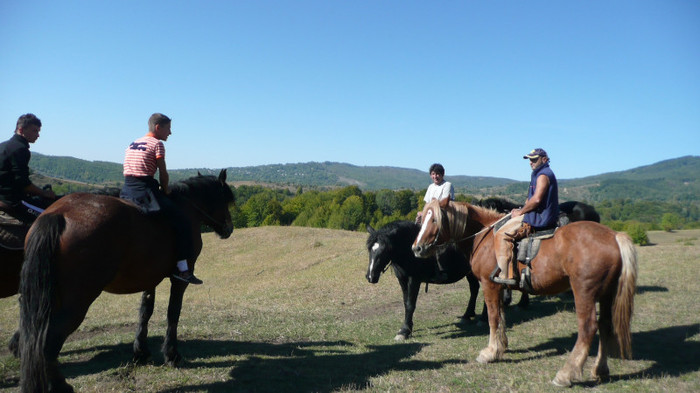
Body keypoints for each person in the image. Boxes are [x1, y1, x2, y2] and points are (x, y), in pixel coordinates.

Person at [120, 113, 202, 284]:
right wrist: (165, 191)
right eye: (168, 128)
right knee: (182, 222)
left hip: (127, 190)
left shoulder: (132, 143)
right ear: (158, 127)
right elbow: (163, 174)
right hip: (145, 191)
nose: (170, 133)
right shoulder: (157, 144)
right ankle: (182, 270)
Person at [492, 148, 559, 285]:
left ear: (544, 159)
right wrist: (520, 209)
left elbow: (537, 200)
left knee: (502, 234)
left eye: (534, 159)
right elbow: (530, 199)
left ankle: (507, 275)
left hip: (538, 218)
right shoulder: (537, 174)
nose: (531, 162)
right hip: (532, 214)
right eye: (530, 159)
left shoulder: (543, 175)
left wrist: (521, 212)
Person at [0, 113, 56, 223]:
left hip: (3, 196)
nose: (38, 135)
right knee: (51, 219)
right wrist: (44, 193)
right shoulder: (20, 149)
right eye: (35, 131)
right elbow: (23, 184)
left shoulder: (3, 145)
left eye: (38, 131)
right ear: (21, 130)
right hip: (13, 201)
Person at [416, 163, 455, 282]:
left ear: (442, 174)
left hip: (442, 218)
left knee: (436, 242)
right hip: (430, 217)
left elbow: (444, 205)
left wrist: (429, 211)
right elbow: (428, 205)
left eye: (437, 174)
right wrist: (421, 214)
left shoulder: (447, 185)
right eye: (433, 174)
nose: (435, 176)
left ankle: (440, 269)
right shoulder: (430, 187)